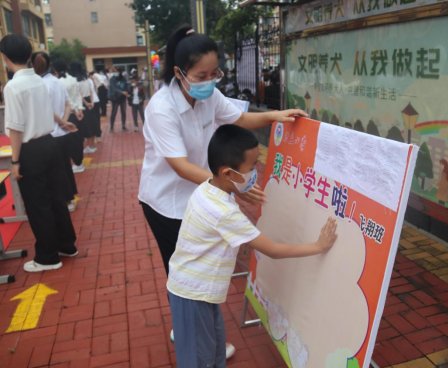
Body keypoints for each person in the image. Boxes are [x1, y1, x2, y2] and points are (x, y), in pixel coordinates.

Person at [138, 25, 307, 357]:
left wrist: (276, 116)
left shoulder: (209, 95)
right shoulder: (162, 109)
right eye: (202, 74)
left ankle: (198, 331)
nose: (210, 80)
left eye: (215, 72)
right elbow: (180, 166)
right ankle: (189, 333)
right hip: (167, 203)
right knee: (184, 271)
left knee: (203, 266)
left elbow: (240, 118)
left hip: (200, 195)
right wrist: (231, 186)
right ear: (179, 72)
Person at [168, 124, 337, 368]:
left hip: (196, 290)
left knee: (213, 351)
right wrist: (319, 246)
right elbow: (273, 250)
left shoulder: (209, 187)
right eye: (252, 166)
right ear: (228, 173)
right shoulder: (223, 212)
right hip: (192, 294)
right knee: (199, 359)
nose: (257, 170)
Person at [1, 34, 78, 272]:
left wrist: (14, 161)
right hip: (50, 143)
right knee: (57, 199)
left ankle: (47, 257)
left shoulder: (13, 86)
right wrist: (61, 123)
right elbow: (45, 109)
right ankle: (67, 244)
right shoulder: (38, 79)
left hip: (30, 150)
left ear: (5, 57)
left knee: (38, 204)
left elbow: (15, 128)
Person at [31, 52, 79, 211]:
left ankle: (67, 199)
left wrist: (61, 122)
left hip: (52, 133)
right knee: (66, 167)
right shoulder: (57, 81)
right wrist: (65, 122)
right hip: (63, 133)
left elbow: (47, 110)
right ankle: (71, 196)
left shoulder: (40, 85)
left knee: (57, 171)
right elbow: (67, 104)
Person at [53, 60, 86, 174]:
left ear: (55, 70)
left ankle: (74, 164)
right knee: (77, 140)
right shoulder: (73, 79)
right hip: (75, 114)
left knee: (67, 141)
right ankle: (79, 163)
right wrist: (79, 109)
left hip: (64, 116)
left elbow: (67, 101)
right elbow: (77, 96)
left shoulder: (58, 82)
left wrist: (74, 110)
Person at [108, 68, 129, 132]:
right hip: (115, 98)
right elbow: (113, 88)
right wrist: (122, 92)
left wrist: (128, 91)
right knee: (114, 112)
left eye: (116, 71)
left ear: (120, 72)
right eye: (114, 71)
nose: (115, 73)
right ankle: (111, 127)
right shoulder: (112, 79)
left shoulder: (123, 78)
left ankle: (123, 126)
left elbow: (126, 86)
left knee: (123, 112)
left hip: (122, 98)